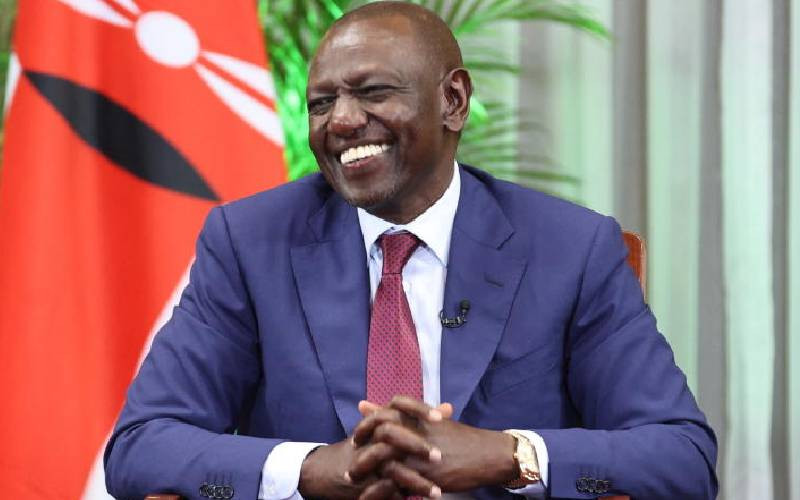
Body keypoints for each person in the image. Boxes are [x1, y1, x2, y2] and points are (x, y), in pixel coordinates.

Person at [104, 2, 717, 499]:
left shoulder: (570, 248)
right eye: (322, 103)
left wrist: (510, 455)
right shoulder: (250, 242)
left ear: (453, 101)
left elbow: (682, 455)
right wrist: (311, 469)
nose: (341, 121)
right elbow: (141, 445)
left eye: (372, 92)